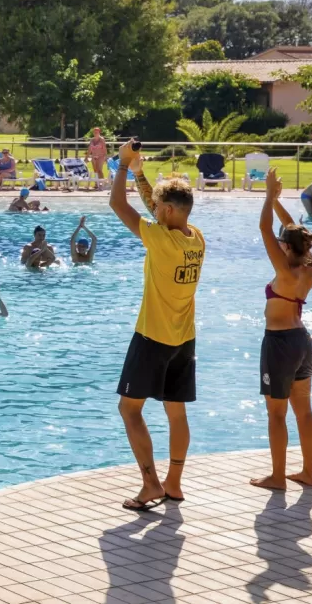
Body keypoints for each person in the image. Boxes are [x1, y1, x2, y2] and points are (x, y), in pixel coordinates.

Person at [109, 138, 204, 512]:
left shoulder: (160, 240)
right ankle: (173, 483)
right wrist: (140, 173)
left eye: (159, 209)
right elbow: (157, 207)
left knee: (129, 409)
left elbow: (118, 205)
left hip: (153, 338)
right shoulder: (195, 238)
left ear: (167, 211)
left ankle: (150, 483)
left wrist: (121, 165)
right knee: (176, 412)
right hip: (184, 340)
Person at [251, 168, 312, 491]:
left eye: (281, 243)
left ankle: (278, 477)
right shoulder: (309, 266)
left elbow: (264, 228)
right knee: (303, 411)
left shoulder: (285, 271)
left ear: (287, 249)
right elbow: (292, 229)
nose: (277, 244)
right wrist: (278, 200)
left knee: (276, 413)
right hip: (302, 341)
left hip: (279, 344)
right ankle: (308, 472)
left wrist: (267, 197)